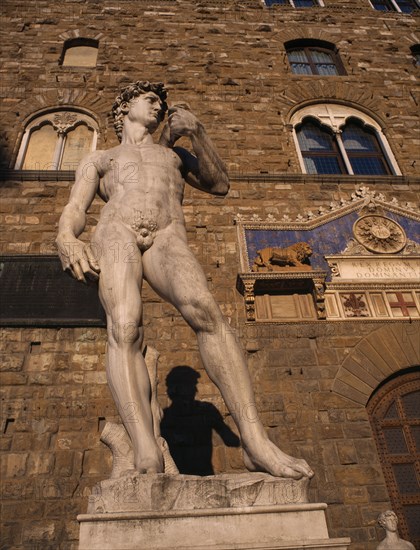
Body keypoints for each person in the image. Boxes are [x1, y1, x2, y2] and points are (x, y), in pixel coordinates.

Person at [56, 80, 313, 480]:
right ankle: (145, 450)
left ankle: (255, 441)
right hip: (116, 231)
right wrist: (66, 238)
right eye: (151, 101)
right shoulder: (100, 159)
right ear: (125, 108)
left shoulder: (173, 155)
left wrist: (199, 132)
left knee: (207, 312)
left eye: (162, 103)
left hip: (167, 235)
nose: (159, 108)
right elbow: (75, 207)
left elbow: (220, 184)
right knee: (124, 327)